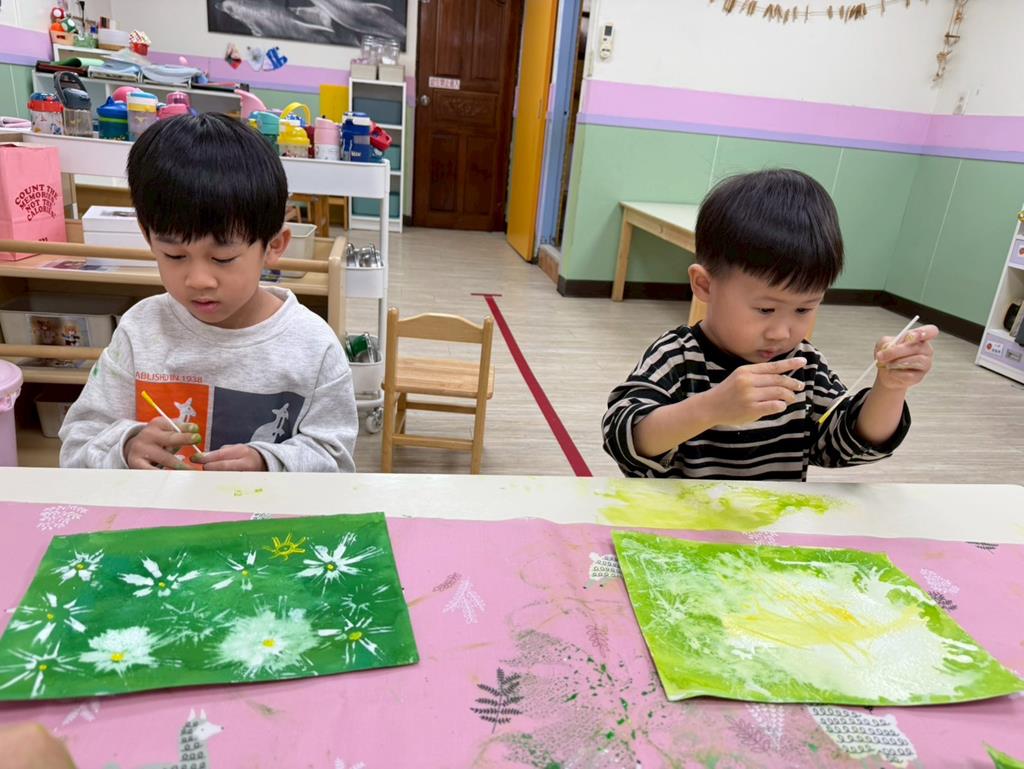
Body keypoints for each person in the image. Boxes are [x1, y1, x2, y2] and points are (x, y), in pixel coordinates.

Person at [60, 114, 357, 472]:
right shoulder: (140, 331)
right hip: (157, 507)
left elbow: (337, 462)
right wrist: (126, 447)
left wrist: (270, 464)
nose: (198, 280)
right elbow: (77, 445)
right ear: (147, 235)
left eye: (223, 258)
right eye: (174, 255)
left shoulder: (314, 348)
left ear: (274, 246)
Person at [602, 169, 938, 480]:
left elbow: (843, 446)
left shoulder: (803, 366)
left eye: (804, 309)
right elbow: (622, 439)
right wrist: (711, 408)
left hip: (770, 522)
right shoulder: (677, 357)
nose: (782, 333)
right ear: (704, 285)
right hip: (680, 520)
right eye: (765, 309)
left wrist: (890, 388)